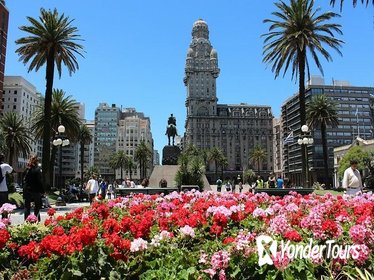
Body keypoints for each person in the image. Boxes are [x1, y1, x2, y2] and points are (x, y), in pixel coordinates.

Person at [23, 155, 43, 221]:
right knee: (37, 206)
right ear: (37, 161)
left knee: (27, 207)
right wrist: (42, 191)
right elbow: (39, 181)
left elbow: (24, 180)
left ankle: (26, 221)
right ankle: (36, 220)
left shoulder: (27, 169)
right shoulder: (37, 170)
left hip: (27, 189)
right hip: (35, 190)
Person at [0, 153, 13, 219]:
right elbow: (11, 170)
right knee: (4, 207)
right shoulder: (5, 166)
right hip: (3, 190)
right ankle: (4, 223)